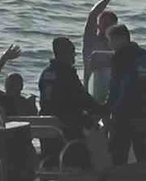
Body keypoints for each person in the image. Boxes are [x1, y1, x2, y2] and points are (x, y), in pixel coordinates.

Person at [38, 36, 105, 167]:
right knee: (92, 126)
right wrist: (104, 109)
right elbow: (82, 99)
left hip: (47, 122)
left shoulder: (46, 73)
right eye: (72, 52)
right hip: (67, 124)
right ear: (64, 53)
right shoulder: (66, 73)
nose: (74, 55)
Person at [104, 23, 146, 166]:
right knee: (141, 149)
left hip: (125, 112)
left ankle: (119, 177)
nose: (109, 44)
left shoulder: (119, 58)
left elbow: (117, 88)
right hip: (143, 109)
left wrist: (109, 108)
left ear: (121, 39)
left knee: (119, 152)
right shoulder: (142, 55)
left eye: (110, 40)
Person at [82, 0, 121, 103]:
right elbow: (93, 14)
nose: (106, 27)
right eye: (104, 24)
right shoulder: (91, 41)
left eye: (110, 24)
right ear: (98, 25)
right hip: (91, 95)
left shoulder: (118, 47)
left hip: (113, 95)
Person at [0, 44, 36, 123]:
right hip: (4, 129)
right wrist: (3, 58)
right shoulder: (0, 99)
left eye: (14, 83)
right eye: (10, 83)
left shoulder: (26, 103)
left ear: (21, 86)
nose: (12, 86)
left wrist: (4, 58)